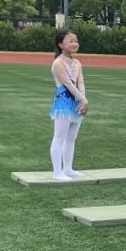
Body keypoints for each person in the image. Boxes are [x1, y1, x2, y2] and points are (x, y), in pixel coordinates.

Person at [49, 30, 88, 181]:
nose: (75, 43)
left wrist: (83, 100)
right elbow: (69, 85)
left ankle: (68, 168)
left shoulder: (77, 63)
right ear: (61, 44)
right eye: (70, 41)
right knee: (59, 137)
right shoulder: (58, 63)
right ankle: (57, 172)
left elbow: (81, 82)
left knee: (71, 139)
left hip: (76, 103)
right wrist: (83, 100)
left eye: (76, 41)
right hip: (64, 103)